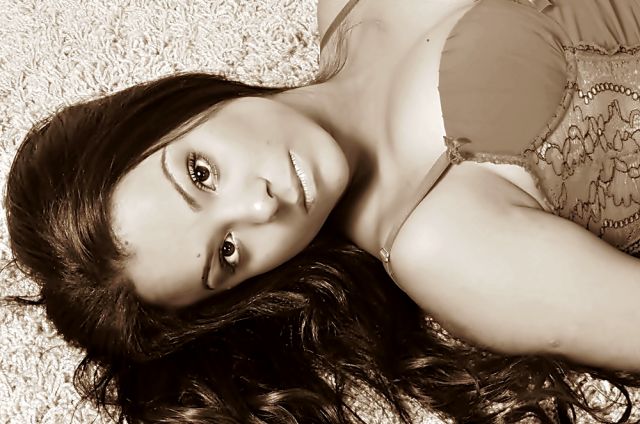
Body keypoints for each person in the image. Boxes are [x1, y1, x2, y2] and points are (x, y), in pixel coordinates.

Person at [5, 0, 640, 422]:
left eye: (200, 173)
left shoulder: (345, 8)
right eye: (227, 252)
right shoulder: (445, 248)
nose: (260, 204)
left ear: (173, 109)